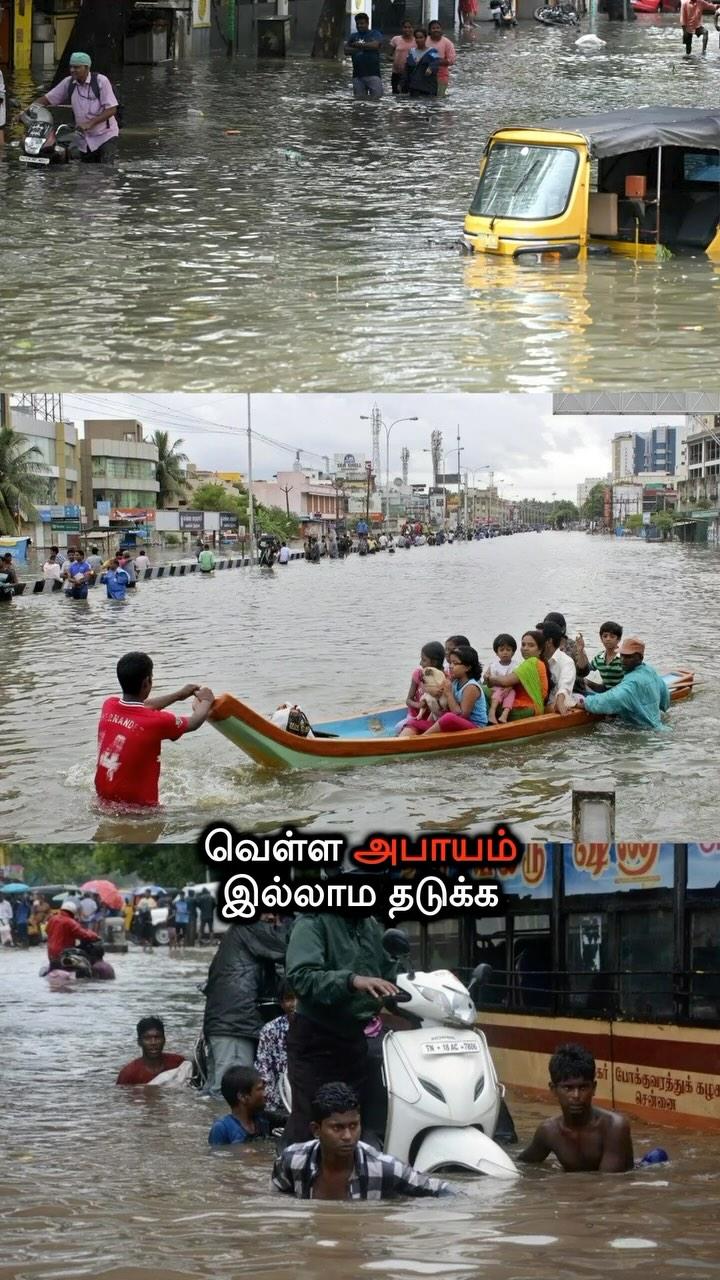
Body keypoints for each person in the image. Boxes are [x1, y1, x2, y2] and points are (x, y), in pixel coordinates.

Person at [284, 912, 399, 1144]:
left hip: (354, 1038)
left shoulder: (369, 923)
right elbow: (302, 977)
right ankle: (297, 1174)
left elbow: (387, 972)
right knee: (312, 1124)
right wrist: (351, 981)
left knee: (351, 1123)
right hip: (316, 1039)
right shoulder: (313, 921)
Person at [273, 1082, 451, 1199]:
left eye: (353, 1126)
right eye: (337, 1128)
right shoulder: (291, 1160)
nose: (348, 1136)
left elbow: (444, 1191)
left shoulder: (384, 1168)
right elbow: (276, 1202)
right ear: (316, 1130)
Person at [94, 651, 214, 808]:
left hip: (102, 800)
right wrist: (206, 700)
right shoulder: (157, 722)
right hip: (140, 811)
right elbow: (194, 722)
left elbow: (142, 707)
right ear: (147, 682)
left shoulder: (109, 705)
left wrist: (179, 695)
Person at [202, 918, 289, 1098]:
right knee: (235, 1096)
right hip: (235, 1024)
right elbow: (290, 947)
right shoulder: (249, 928)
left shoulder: (239, 930)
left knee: (218, 1095)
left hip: (228, 1022)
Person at [518, 1043, 633, 1172]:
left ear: (593, 1088)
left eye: (583, 1087)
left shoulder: (614, 1127)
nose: (576, 1095)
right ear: (553, 1089)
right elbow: (522, 1166)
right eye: (568, 1088)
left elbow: (608, 1185)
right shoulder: (549, 1132)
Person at [34, 51, 119, 164]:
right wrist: (28, 110)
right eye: (71, 67)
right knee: (86, 171)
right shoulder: (68, 83)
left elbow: (112, 109)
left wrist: (90, 123)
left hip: (105, 135)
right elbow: (47, 99)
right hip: (84, 138)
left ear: (87, 68)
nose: (72, 70)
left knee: (106, 169)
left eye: (77, 67)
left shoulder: (101, 81)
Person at [582, 636, 671, 730]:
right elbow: (665, 701)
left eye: (629, 657)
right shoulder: (650, 670)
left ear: (641, 658)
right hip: (658, 725)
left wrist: (585, 702)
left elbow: (609, 700)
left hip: (643, 731)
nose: (623, 660)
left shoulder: (631, 683)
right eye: (622, 655)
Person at [400, 644, 487, 735]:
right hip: (456, 723)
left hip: (475, 727)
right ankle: (406, 739)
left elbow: (461, 716)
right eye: (450, 663)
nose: (451, 666)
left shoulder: (471, 687)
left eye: (455, 663)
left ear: (467, 667)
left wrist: (449, 693)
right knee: (414, 722)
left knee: (448, 717)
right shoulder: (455, 682)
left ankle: (422, 738)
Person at [485, 629, 550, 717]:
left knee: (481, 690)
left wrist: (489, 678)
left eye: (531, 645)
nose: (525, 648)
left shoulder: (532, 662)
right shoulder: (536, 663)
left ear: (540, 650)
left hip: (525, 708)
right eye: (523, 645)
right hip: (532, 707)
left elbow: (505, 681)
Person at [254, 982, 296, 1114]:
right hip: (279, 1100)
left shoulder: (319, 1029)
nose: (295, 1004)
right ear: (281, 1003)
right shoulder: (270, 1030)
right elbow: (264, 1069)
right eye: (289, 999)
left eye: (300, 998)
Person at [208, 1066, 271, 1146]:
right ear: (243, 1097)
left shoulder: (264, 1119)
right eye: (260, 1089)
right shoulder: (221, 1129)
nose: (265, 1094)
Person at [116, 1016, 186, 1085]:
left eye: (157, 1037)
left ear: (164, 1040)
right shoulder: (128, 1074)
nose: (153, 1042)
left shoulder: (178, 1063)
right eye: (147, 1038)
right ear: (139, 1042)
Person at [395, 640, 446, 733]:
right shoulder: (418, 674)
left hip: (434, 718)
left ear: (434, 662)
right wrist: (418, 705)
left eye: (424, 660)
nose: (420, 663)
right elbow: (408, 700)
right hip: (416, 715)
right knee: (399, 727)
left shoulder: (444, 678)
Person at [45, 900, 99, 969]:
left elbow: (47, 931)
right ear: (73, 912)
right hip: (64, 952)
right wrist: (94, 935)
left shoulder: (52, 919)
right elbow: (83, 934)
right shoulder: (70, 922)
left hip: (51, 952)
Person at [542, 621, 581, 716]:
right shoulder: (535, 659)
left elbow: (565, 686)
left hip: (554, 705)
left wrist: (559, 701)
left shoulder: (567, 661)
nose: (534, 641)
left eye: (537, 639)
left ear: (549, 642)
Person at [575, 621, 625, 691]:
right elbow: (586, 669)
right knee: (579, 680)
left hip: (622, 692)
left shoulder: (624, 657)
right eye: (605, 636)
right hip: (605, 690)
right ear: (601, 639)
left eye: (612, 636)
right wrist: (581, 650)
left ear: (618, 639)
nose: (608, 639)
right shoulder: (599, 657)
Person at [345, 13, 384, 101]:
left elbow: (375, 45)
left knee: (377, 100)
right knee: (358, 101)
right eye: (358, 24)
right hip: (357, 75)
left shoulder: (375, 33)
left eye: (362, 23)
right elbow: (346, 51)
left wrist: (357, 45)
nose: (360, 26)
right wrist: (365, 47)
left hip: (373, 74)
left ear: (367, 23)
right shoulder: (353, 36)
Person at [487, 633, 521, 725]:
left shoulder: (516, 665)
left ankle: (505, 714)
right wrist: (486, 677)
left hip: (510, 689)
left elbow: (515, 680)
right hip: (496, 688)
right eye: (501, 650)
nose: (505, 652)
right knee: (500, 691)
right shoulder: (493, 665)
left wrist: (509, 688)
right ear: (497, 653)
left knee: (512, 693)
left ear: (513, 652)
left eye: (508, 650)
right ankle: (492, 712)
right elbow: (490, 680)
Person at [402, 30, 440, 97]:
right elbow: (407, 69)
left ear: (425, 38)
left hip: (428, 87)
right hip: (414, 86)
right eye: (417, 38)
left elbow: (436, 62)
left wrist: (430, 68)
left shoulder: (432, 51)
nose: (418, 40)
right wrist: (402, 83)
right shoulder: (411, 52)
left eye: (421, 37)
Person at [426, 21, 456, 98]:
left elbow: (452, 60)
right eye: (433, 28)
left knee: (439, 99)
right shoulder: (425, 41)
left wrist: (436, 62)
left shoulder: (447, 43)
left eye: (438, 28)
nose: (436, 30)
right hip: (425, 76)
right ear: (429, 30)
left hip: (441, 76)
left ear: (441, 29)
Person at [389, 20, 415, 94]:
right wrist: (392, 59)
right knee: (396, 94)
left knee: (408, 95)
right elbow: (390, 55)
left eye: (409, 27)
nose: (407, 29)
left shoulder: (417, 40)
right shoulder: (396, 39)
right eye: (405, 27)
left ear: (413, 28)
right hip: (397, 72)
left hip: (411, 73)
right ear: (402, 28)